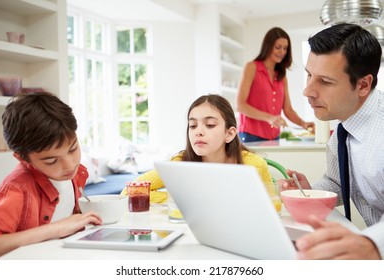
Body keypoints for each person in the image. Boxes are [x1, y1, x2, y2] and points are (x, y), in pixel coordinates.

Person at [281, 23, 384, 260]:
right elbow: (339, 182)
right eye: (309, 75)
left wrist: (373, 244)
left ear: (363, 85)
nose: (307, 91)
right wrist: (310, 192)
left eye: (325, 82)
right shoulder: (344, 125)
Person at [0, 92, 102, 259]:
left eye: (73, 149)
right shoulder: (17, 189)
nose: (70, 164)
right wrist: (55, 228)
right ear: (23, 158)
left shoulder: (73, 174)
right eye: (52, 160)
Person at [121, 94, 272, 203]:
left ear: (229, 133)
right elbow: (129, 192)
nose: (198, 131)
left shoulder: (254, 165)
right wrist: (185, 202)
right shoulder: (180, 163)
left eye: (210, 125)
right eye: (192, 125)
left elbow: (272, 206)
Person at [236, 27, 314, 142]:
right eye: (278, 47)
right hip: (250, 135)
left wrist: (304, 124)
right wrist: (269, 117)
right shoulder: (251, 67)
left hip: (274, 137)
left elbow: (288, 110)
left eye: (285, 48)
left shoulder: (281, 76)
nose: (282, 52)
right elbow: (240, 105)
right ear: (268, 46)